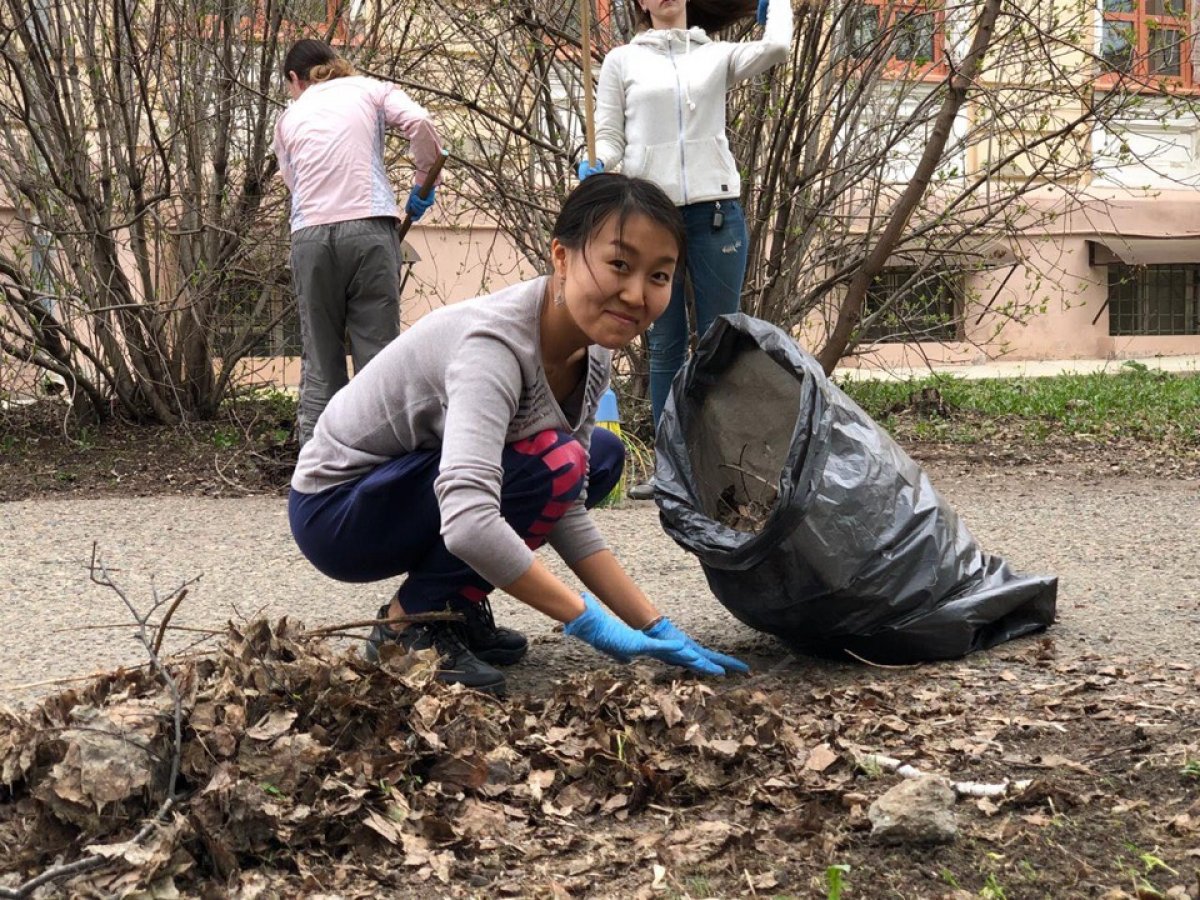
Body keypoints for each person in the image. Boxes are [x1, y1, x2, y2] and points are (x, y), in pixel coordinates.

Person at [289, 174, 749, 694]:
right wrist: (588, 622)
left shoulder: (593, 350)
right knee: (552, 463)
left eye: (659, 276)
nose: (636, 293)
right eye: (619, 264)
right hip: (338, 510)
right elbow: (468, 521)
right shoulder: (494, 349)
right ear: (562, 256)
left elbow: (564, 506)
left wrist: (653, 624)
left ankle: (451, 607)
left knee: (595, 458)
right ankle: (407, 626)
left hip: (407, 491)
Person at [580, 0, 793, 497]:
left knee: (724, 341)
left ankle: (728, 466)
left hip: (716, 211)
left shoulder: (714, 55)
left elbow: (778, 46)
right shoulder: (622, 61)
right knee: (665, 343)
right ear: (642, 3)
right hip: (650, 217)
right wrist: (592, 162)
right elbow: (608, 137)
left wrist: (774, 3)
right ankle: (671, 469)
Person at [275, 39, 445, 445]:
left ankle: (317, 476)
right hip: (369, 229)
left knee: (320, 362)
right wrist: (424, 183)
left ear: (294, 79)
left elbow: (293, 181)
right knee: (379, 359)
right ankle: (380, 468)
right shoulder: (371, 89)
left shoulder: (289, 118)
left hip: (310, 237)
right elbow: (420, 123)